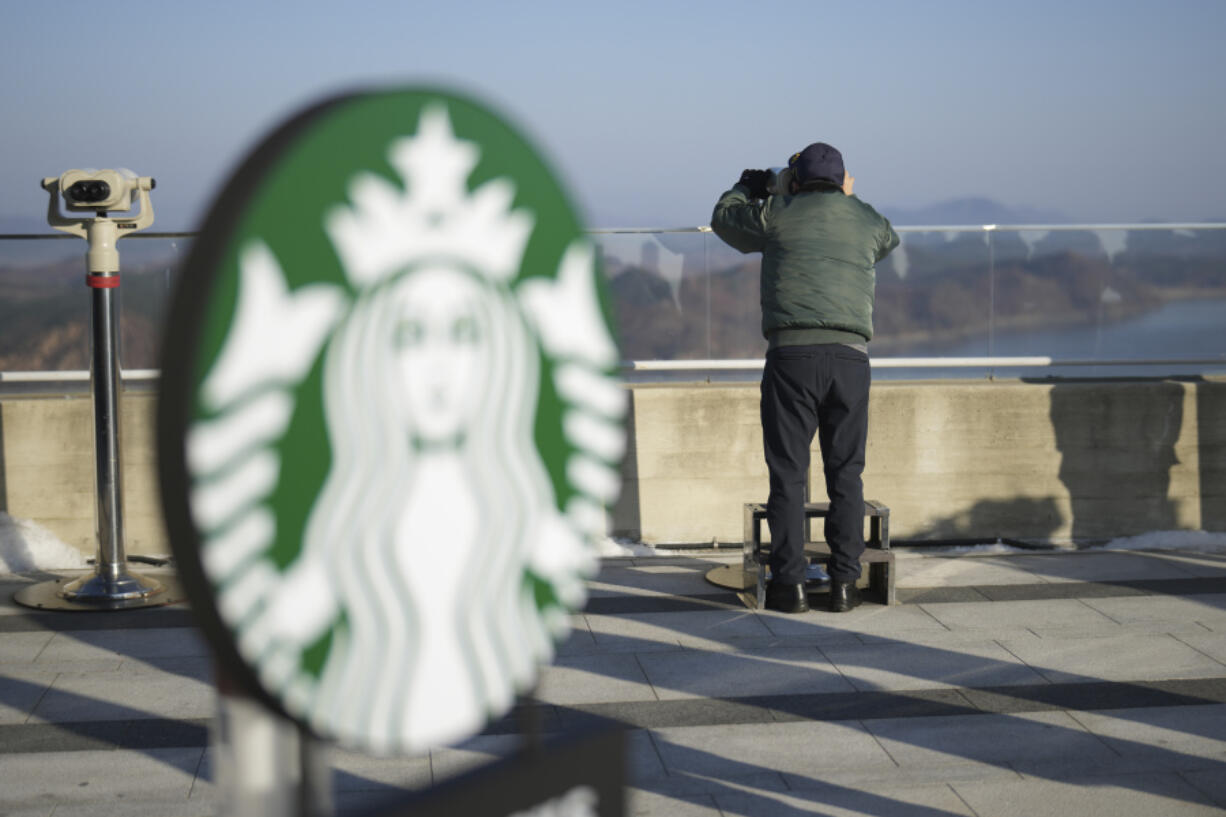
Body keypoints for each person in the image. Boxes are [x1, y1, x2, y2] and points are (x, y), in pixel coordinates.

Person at [711, 142, 899, 613]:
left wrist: (748, 187)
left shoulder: (776, 211)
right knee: (846, 474)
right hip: (851, 360)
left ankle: (789, 587)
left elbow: (724, 219)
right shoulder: (865, 219)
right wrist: (848, 200)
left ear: (795, 181)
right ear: (842, 181)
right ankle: (843, 587)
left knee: (789, 475)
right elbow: (888, 239)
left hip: (791, 358)